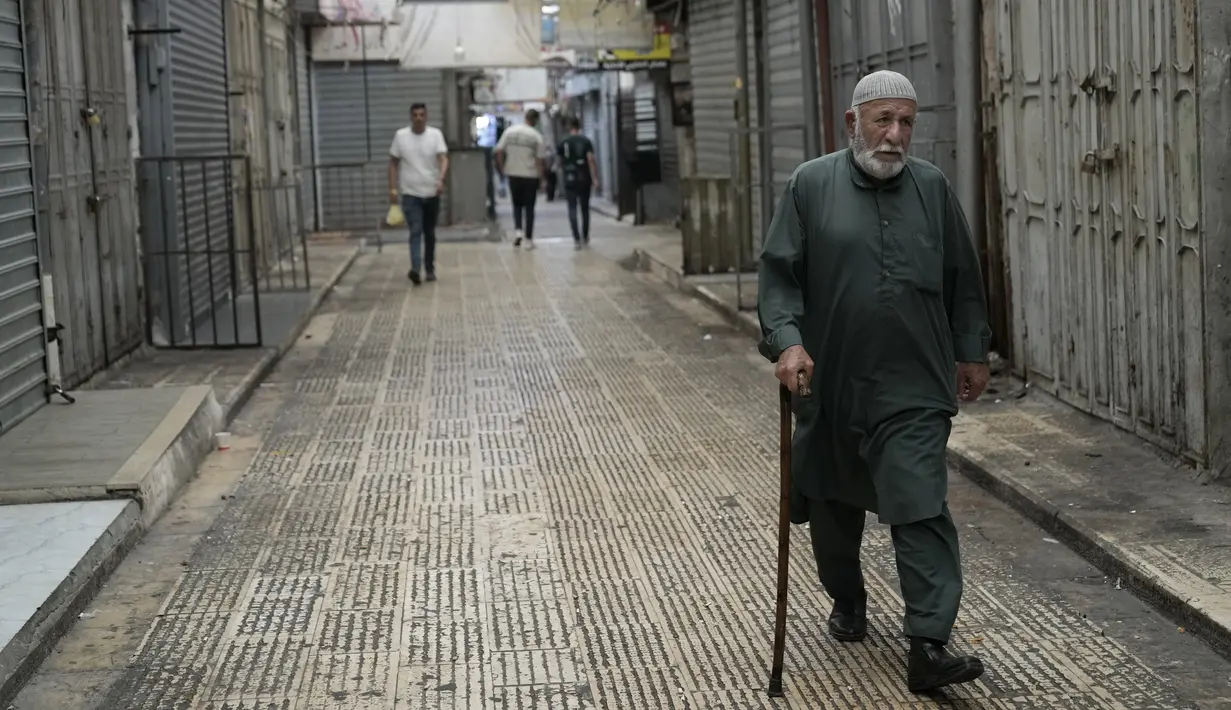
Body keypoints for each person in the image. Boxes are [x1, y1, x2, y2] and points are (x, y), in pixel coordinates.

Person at [756, 70, 992, 693]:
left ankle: (928, 641)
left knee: (920, 503)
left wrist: (971, 350)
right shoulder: (811, 185)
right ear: (852, 122)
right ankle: (849, 599)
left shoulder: (932, 188)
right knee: (833, 506)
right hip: (830, 383)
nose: (895, 136)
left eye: (907, 123)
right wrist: (788, 343)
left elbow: (963, 278)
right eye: (883, 120)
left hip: (913, 383)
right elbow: (779, 279)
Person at [388, 102, 449, 284]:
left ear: (426, 116)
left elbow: (443, 159)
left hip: (431, 191)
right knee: (415, 230)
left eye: (421, 115)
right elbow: (393, 163)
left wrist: (441, 179)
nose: (418, 119)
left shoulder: (435, 135)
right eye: (415, 115)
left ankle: (429, 268)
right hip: (410, 192)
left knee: (429, 232)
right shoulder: (401, 136)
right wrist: (392, 189)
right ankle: (415, 267)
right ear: (410, 117)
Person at [495, 109, 546, 249]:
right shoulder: (536, 136)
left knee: (516, 205)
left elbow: (498, 150)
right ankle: (528, 239)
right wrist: (541, 180)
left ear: (525, 117)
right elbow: (539, 160)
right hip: (530, 175)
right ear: (535, 121)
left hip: (513, 173)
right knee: (529, 208)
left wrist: (502, 168)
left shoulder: (509, 132)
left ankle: (518, 232)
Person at [556, 116, 600, 249]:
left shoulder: (563, 142)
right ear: (579, 126)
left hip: (569, 178)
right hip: (584, 177)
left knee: (572, 208)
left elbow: (559, 162)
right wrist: (595, 178)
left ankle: (576, 238)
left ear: (569, 127)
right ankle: (585, 236)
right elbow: (590, 159)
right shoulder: (586, 141)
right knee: (585, 208)